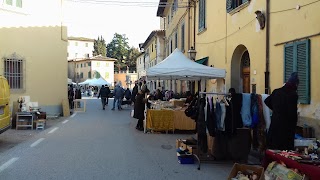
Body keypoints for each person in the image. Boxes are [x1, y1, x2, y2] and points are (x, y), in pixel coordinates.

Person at [264, 72, 299, 150]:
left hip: (275, 125)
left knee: (273, 150)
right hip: (285, 129)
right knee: (284, 151)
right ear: (295, 84)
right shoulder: (293, 95)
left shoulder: (277, 91)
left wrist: (276, 109)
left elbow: (267, 101)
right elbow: (292, 114)